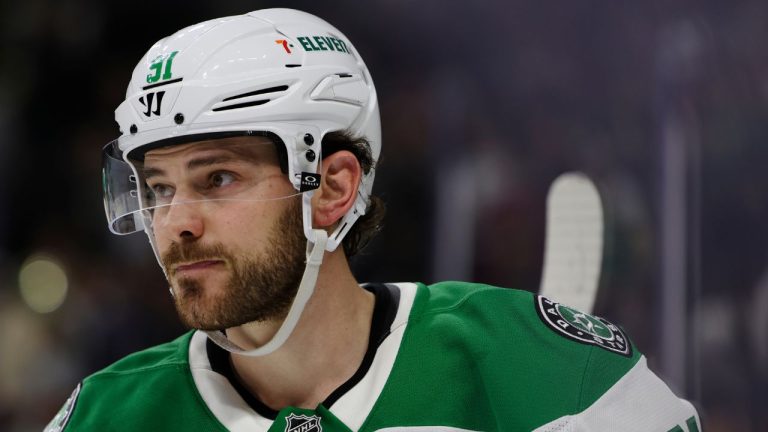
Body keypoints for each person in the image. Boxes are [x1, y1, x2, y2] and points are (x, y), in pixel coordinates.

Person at [47, 8, 701, 432]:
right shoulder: (104, 416)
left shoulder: (541, 375)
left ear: (333, 187)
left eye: (217, 179)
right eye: (158, 188)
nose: (174, 223)